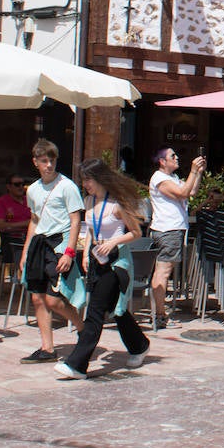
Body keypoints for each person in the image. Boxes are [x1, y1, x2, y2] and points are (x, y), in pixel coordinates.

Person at [54, 159, 151, 380]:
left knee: (95, 311)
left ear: (99, 178)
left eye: (88, 179)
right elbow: (90, 230)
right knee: (115, 308)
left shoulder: (116, 204)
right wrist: (87, 252)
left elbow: (136, 232)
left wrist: (114, 241)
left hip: (116, 264)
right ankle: (139, 345)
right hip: (97, 260)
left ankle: (77, 364)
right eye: (84, 179)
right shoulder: (89, 201)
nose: (85, 184)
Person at [18, 139, 85, 364]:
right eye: (44, 161)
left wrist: (69, 252)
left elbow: (76, 221)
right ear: (36, 162)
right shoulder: (34, 189)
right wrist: (26, 252)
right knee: (37, 298)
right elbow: (34, 220)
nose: (49, 165)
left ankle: (83, 330)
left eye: (52, 160)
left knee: (54, 300)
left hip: (59, 244)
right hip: (40, 244)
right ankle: (47, 348)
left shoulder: (67, 186)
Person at [147, 147, 205, 329]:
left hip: (172, 229)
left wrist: (198, 174)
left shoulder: (171, 178)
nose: (177, 157)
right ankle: (159, 315)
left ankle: (158, 314)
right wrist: (193, 171)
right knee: (163, 272)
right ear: (162, 161)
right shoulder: (159, 178)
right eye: (172, 156)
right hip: (167, 230)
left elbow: (191, 191)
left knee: (163, 271)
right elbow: (182, 193)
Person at [0, 174, 33, 264]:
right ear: (9, 186)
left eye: (23, 184)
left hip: (31, 238)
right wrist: (26, 223)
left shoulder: (30, 200)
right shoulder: (2, 202)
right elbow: (0, 226)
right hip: (11, 240)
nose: (21, 187)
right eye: (17, 184)